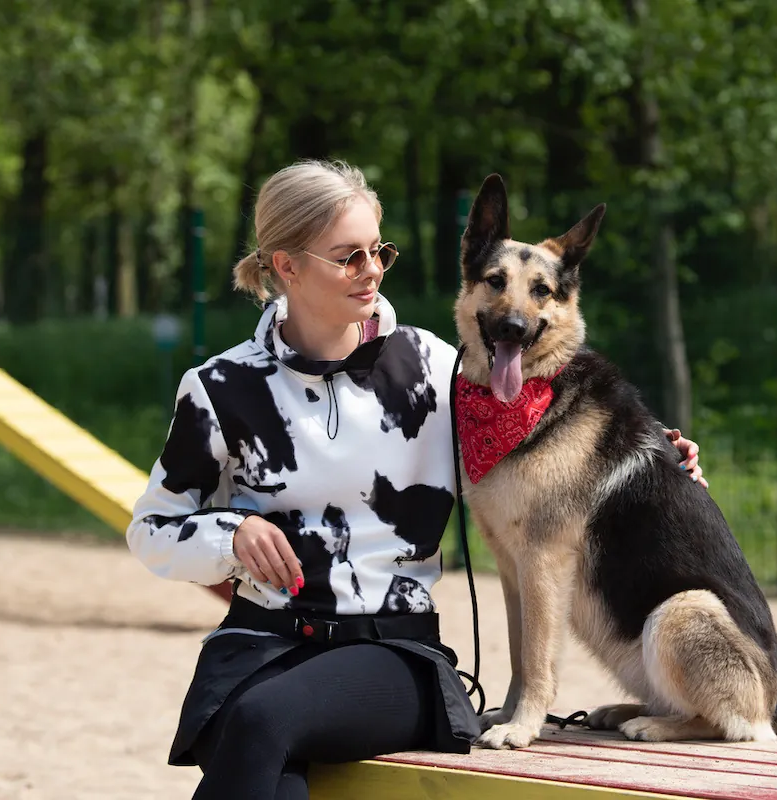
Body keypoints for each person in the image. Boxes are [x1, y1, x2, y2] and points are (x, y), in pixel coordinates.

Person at [126, 158, 706, 800]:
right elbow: (152, 530)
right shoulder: (219, 387)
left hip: (390, 652)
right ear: (287, 266)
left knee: (259, 719)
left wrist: (645, 472)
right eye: (348, 256)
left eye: (380, 251)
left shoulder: (438, 369)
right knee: (272, 756)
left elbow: (525, 474)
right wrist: (232, 535)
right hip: (260, 644)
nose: (372, 270)